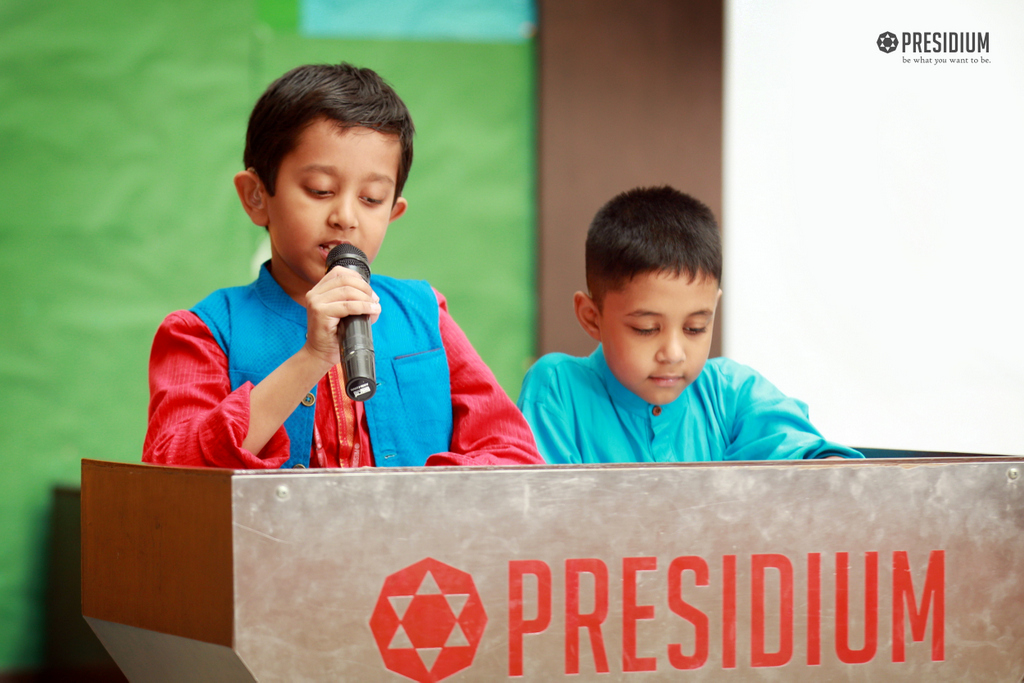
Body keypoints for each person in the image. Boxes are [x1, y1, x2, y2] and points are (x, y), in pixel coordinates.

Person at [144, 63, 541, 469]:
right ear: (256, 196)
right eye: (320, 190)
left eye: (371, 198)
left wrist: (409, 502)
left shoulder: (425, 314)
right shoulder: (202, 333)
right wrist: (311, 358)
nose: (346, 216)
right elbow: (172, 468)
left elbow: (513, 453)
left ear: (394, 212)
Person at [517, 186, 862, 464]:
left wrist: (831, 471)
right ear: (592, 317)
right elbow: (549, 515)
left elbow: (811, 462)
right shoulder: (558, 390)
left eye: (695, 328)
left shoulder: (731, 393)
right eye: (647, 329)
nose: (674, 353)